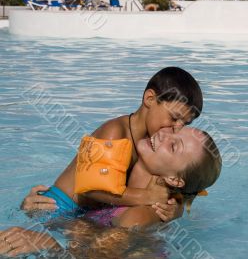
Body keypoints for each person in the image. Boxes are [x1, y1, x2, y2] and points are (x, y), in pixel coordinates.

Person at [0, 127, 222, 257]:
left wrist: (46, 243)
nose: (165, 135)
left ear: (174, 179)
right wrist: (35, 208)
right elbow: (82, 228)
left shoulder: (140, 215)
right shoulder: (120, 190)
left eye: (175, 146)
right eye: (174, 129)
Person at [21, 67, 203, 223]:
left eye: (185, 124)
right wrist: (147, 196)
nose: (177, 128)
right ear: (149, 99)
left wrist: (176, 209)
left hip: (88, 215)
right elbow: (92, 189)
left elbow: (184, 183)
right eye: (174, 118)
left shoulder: (154, 145)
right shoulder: (115, 132)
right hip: (56, 209)